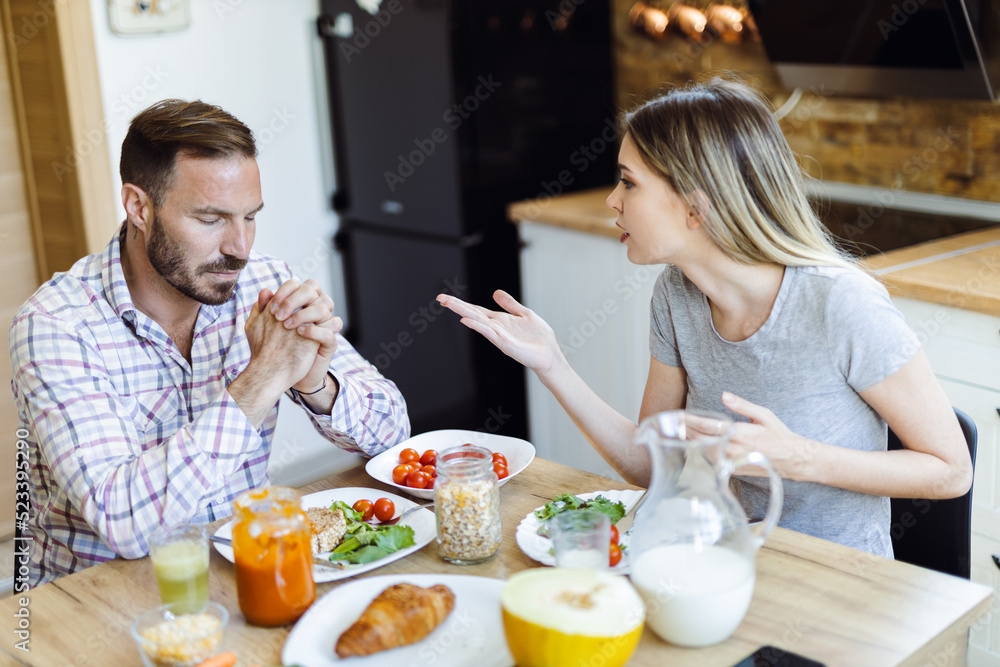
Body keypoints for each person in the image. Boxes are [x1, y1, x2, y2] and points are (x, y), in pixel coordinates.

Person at [438, 78, 973, 557]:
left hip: (837, 586)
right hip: (718, 563)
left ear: (696, 207)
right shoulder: (677, 295)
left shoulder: (841, 303)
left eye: (628, 182)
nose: (611, 201)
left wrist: (797, 457)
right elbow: (653, 465)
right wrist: (552, 362)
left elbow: (951, 471)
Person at [10, 99, 410, 586]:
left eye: (250, 217)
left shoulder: (264, 281)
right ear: (139, 207)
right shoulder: (57, 324)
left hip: (243, 572)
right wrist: (261, 380)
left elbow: (393, 437)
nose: (239, 248)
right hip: (96, 602)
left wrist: (314, 381)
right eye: (210, 219)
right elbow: (125, 523)